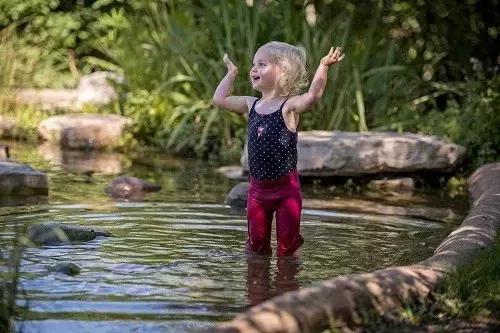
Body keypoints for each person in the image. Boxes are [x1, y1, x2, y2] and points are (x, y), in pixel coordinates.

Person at [213, 41, 344, 257]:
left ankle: (289, 283)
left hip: (286, 190)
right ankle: (257, 286)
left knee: (288, 247)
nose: (253, 69)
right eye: (253, 64)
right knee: (256, 247)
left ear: (283, 71)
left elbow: (313, 97)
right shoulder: (250, 104)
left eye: (262, 64)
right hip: (257, 190)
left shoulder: (289, 107)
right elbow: (220, 99)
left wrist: (323, 66)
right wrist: (232, 73)